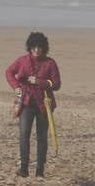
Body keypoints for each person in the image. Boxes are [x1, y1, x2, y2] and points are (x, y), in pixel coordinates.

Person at [4, 31, 61, 178]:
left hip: (44, 105)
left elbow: (56, 84)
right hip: (26, 103)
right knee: (24, 134)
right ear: (29, 47)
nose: (36, 50)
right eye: (34, 47)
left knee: (42, 136)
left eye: (39, 47)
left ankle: (40, 169)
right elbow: (9, 72)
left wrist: (39, 82)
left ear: (44, 48)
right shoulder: (22, 61)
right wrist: (16, 86)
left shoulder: (50, 63)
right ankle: (24, 168)